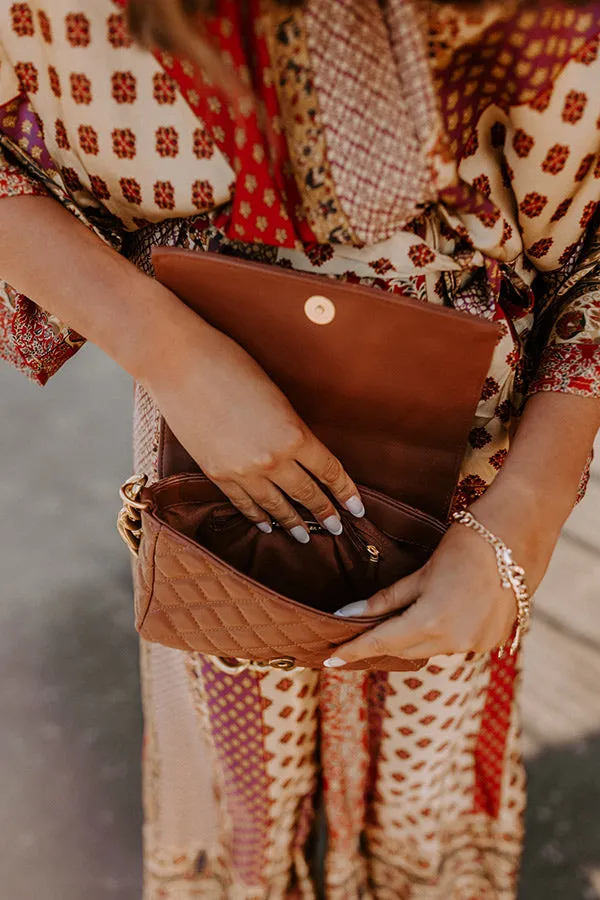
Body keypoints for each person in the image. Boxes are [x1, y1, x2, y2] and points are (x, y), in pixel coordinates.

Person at [1, 0, 599, 896]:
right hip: (205, 436)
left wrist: (531, 511)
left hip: (477, 462)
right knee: (231, 728)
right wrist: (173, 356)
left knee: (431, 742)